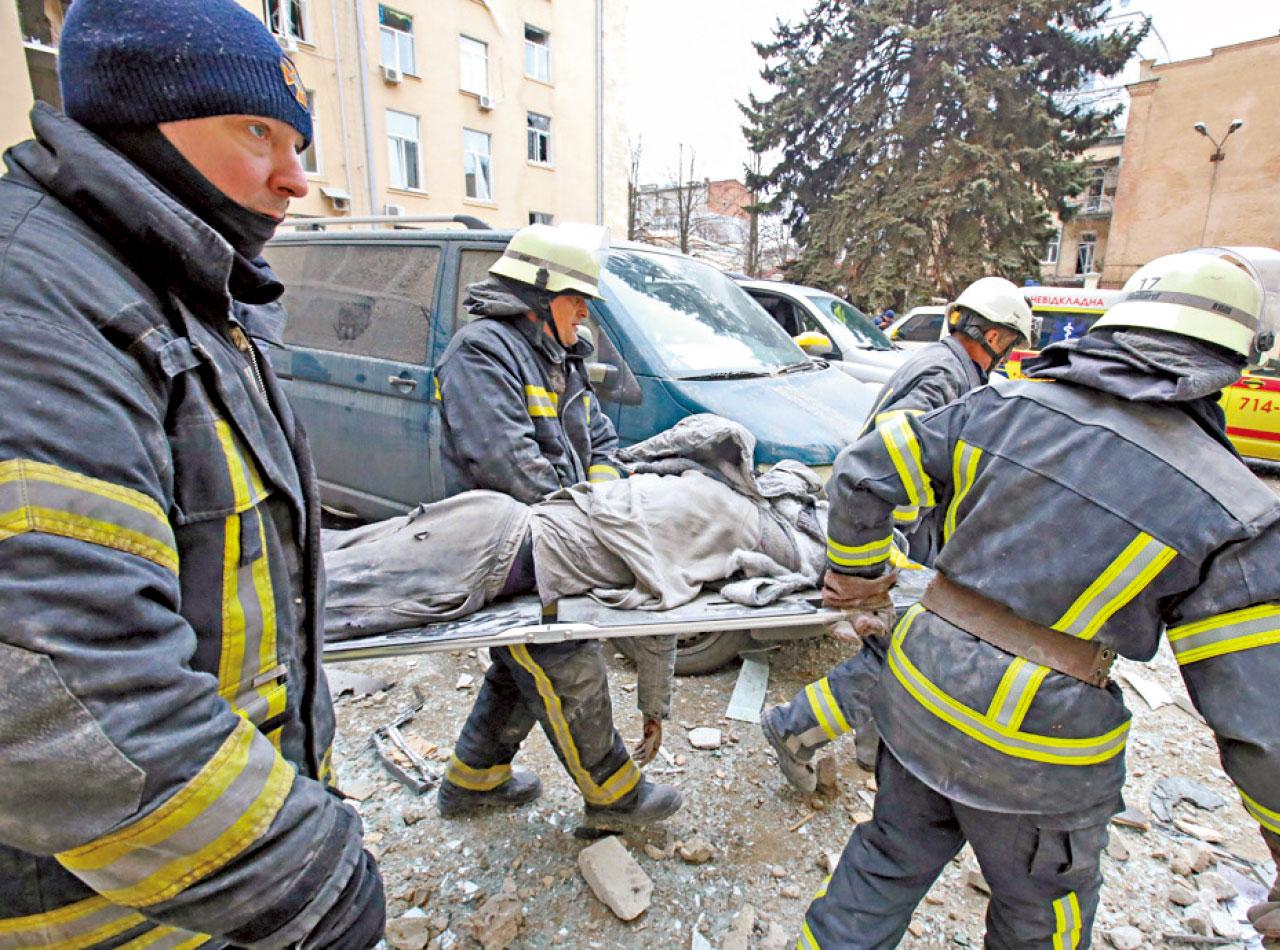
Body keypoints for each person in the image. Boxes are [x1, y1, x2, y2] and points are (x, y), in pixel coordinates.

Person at [0, 1, 387, 945]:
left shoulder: (179, 293)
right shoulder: (38, 303)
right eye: (258, 131)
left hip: (195, 890)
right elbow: (57, 699)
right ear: (142, 110)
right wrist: (307, 882)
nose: (295, 178)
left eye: (297, 140)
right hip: (110, 910)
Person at [799, 249, 1280, 948]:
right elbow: (1259, 728)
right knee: (1037, 925)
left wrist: (860, 577)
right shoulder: (1233, 506)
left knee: (879, 866)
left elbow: (864, 469)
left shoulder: (1000, 404)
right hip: (1038, 754)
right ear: (1231, 362)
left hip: (919, 693)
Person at [434, 226, 683, 828]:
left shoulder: (560, 357)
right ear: (539, 296)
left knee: (522, 664)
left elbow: (600, 439)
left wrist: (599, 497)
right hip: (506, 546)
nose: (583, 315)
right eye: (577, 301)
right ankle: (614, 795)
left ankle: (475, 778)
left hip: (555, 535)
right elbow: (506, 464)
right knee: (562, 653)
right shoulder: (481, 352)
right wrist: (590, 526)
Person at [761, 277, 1034, 788]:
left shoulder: (948, 366)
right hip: (898, 539)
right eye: (1012, 344)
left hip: (901, 534)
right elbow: (884, 462)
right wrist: (894, 561)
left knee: (895, 648)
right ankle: (795, 728)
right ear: (996, 338)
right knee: (904, 653)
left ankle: (875, 747)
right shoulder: (943, 376)